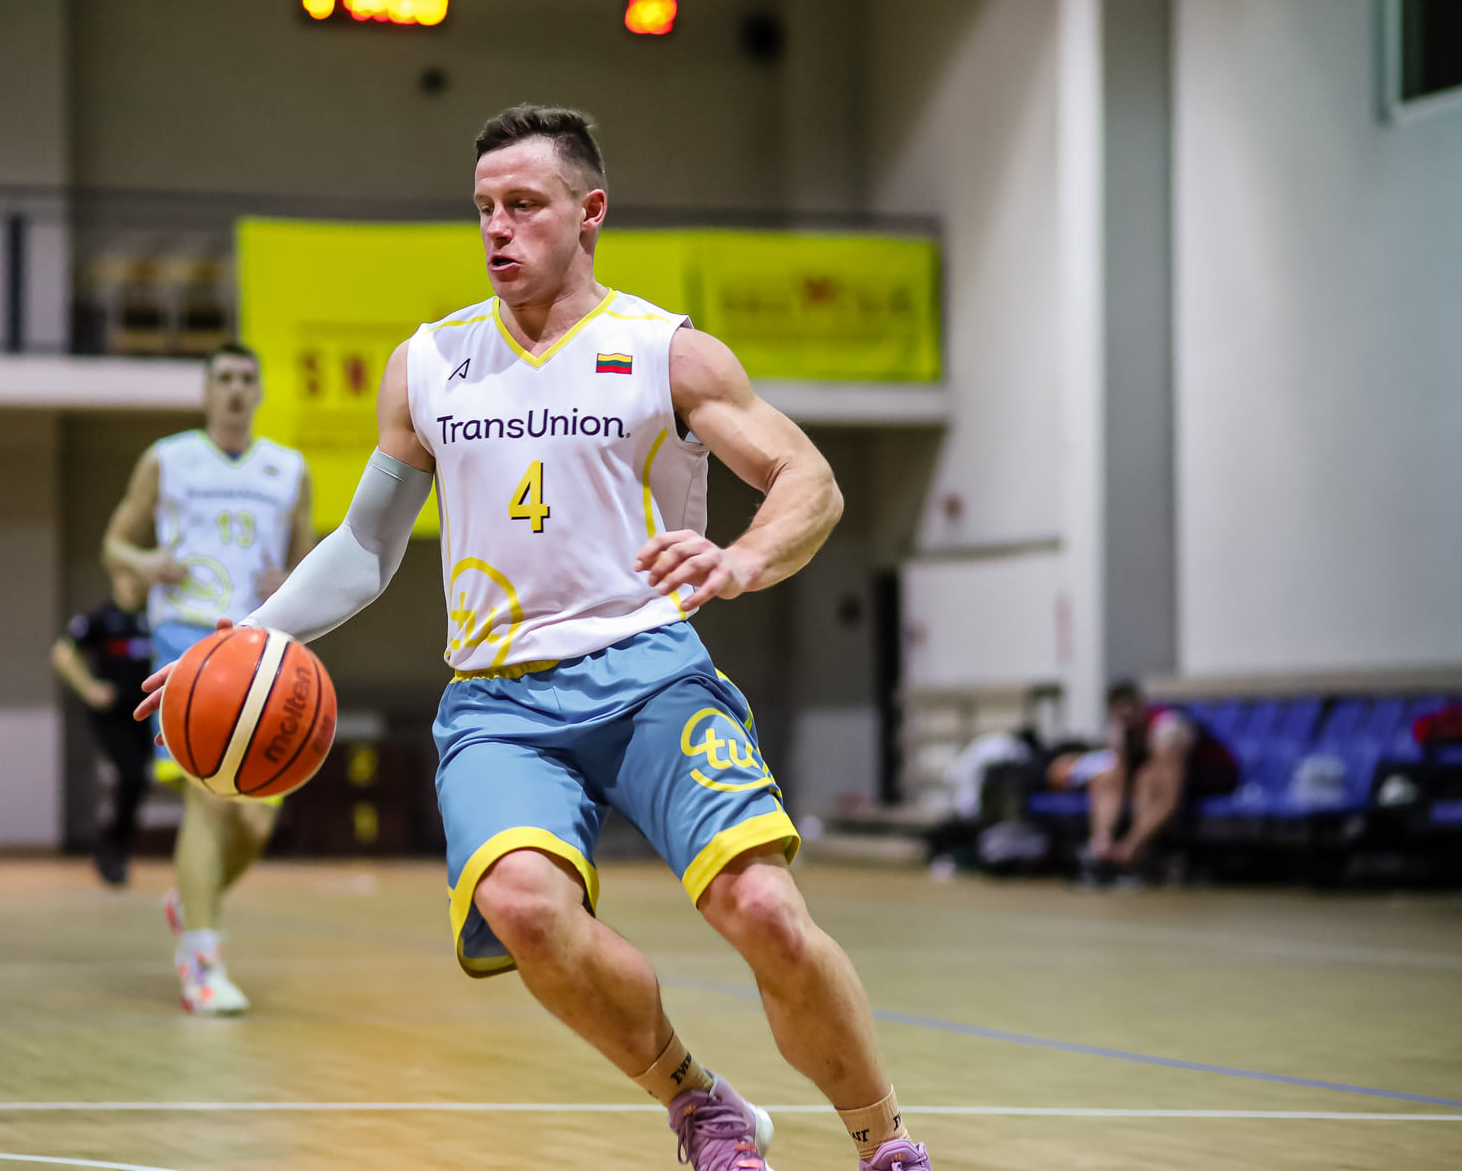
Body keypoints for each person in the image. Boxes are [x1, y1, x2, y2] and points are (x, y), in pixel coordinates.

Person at [138, 105, 931, 1171]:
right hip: (500, 700)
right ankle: (699, 1103)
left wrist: (742, 560)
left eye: (523, 205)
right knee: (521, 904)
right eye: (483, 209)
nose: (497, 229)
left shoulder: (663, 352)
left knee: (764, 909)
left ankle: (883, 1141)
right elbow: (366, 547)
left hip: (651, 673)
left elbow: (809, 479)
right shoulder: (429, 364)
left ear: (589, 211)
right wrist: (241, 640)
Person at [103, 341, 313, 1015]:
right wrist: (144, 562)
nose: (234, 389)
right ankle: (201, 964)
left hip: (258, 647)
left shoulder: (289, 469)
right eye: (223, 378)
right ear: (205, 390)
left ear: (259, 392)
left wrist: (291, 581)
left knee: (254, 826)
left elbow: (308, 564)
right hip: (186, 641)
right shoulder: (166, 459)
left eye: (246, 378)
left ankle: (191, 900)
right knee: (209, 801)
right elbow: (114, 541)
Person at [1047, 680, 1236, 878]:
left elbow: (1169, 799)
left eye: (1132, 716)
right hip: (1157, 774)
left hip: (1215, 774)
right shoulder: (1119, 730)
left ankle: (1139, 856)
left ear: (1142, 709)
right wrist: (1105, 840)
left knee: (1147, 779)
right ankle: (1100, 846)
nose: (1128, 723)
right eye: (1122, 718)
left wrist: (1131, 844)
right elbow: (1118, 779)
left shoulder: (1167, 732)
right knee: (1105, 777)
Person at [53, 568, 153, 886]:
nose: (134, 582)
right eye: (128, 576)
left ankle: (117, 847)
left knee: (139, 781)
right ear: (115, 579)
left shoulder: (154, 618)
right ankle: (113, 849)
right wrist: (89, 689)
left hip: (147, 715)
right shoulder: (100, 619)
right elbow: (63, 653)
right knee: (131, 775)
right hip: (113, 716)